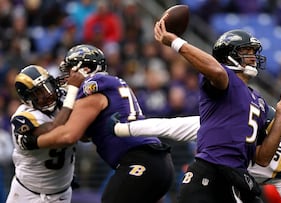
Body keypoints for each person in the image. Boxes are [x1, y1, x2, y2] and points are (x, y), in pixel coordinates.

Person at [154, 18, 281, 203]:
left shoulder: (259, 102)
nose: (252, 57)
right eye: (246, 51)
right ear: (228, 56)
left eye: (253, 52)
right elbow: (216, 72)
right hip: (211, 171)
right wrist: (176, 42)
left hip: (236, 175)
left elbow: (263, 158)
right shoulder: (225, 80)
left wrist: (280, 119)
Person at [17, 44, 175, 203]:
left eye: (70, 69)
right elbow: (85, 135)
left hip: (139, 162)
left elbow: (69, 135)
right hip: (159, 163)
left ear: (84, 69)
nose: (67, 76)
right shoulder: (112, 84)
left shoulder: (94, 89)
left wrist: (33, 141)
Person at [110, 106, 281, 203]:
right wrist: (123, 129)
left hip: (237, 189)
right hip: (207, 180)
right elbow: (169, 126)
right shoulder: (223, 128)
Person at [6, 65, 84, 203]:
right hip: (27, 193)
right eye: (38, 93)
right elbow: (54, 129)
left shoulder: (62, 99)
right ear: (28, 99)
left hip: (61, 193)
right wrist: (72, 92)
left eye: (47, 87)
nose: (47, 95)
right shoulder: (23, 117)